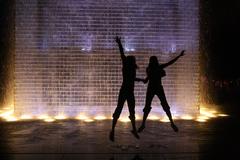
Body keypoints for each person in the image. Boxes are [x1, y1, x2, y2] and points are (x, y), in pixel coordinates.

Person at [138, 50, 185, 133]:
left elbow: (146, 80)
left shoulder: (149, 68)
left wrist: (140, 80)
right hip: (158, 88)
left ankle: (143, 124)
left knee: (147, 106)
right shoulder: (159, 67)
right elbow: (170, 63)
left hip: (151, 88)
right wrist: (179, 56)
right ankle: (172, 123)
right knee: (164, 105)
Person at [109, 36, 144, 142]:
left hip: (127, 91)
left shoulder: (131, 67)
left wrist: (141, 80)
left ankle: (131, 130)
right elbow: (122, 54)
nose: (134, 61)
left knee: (127, 110)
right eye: (133, 60)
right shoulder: (127, 65)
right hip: (126, 91)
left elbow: (133, 79)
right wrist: (119, 43)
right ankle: (113, 130)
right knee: (122, 110)